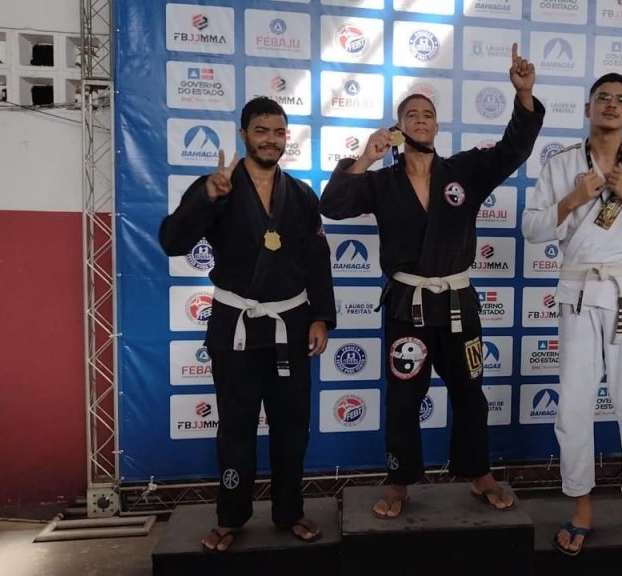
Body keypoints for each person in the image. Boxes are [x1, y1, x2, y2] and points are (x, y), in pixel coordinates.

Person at [320, 43, 544, 519]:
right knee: (405, 396)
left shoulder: (464, 170)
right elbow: (332, 205)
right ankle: (399, 480)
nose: (421, 120)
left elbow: (514, 149)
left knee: (470, 391)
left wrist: (524, 95)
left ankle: (479, 473)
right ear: (399, 128)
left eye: (428, 114)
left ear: (437, 126)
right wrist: (366, 157)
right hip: (408, 304)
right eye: (411, 114)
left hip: (459, 303)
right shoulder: (381, 182)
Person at [159, 97, 336, 551]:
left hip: (290, 325)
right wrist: (207, 197)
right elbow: (172, 241)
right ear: (243, 135)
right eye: (261, 131)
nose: (271, 140)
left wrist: (321, 316)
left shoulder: (301, 195)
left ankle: (289, 511)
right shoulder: (218, 187)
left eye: (278, 132)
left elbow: (318, 259)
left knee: (292, 428)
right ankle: (230, 516)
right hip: (234, 324)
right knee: (235, 427)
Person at [522, 73, 622, 557]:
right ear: (587, 108)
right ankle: (581, 508)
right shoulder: (562, 164)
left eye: (620, 100)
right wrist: (575, 198)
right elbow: (531, 228)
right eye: (602, 98)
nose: (611, 105)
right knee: (574, 405)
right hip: (577, 294)